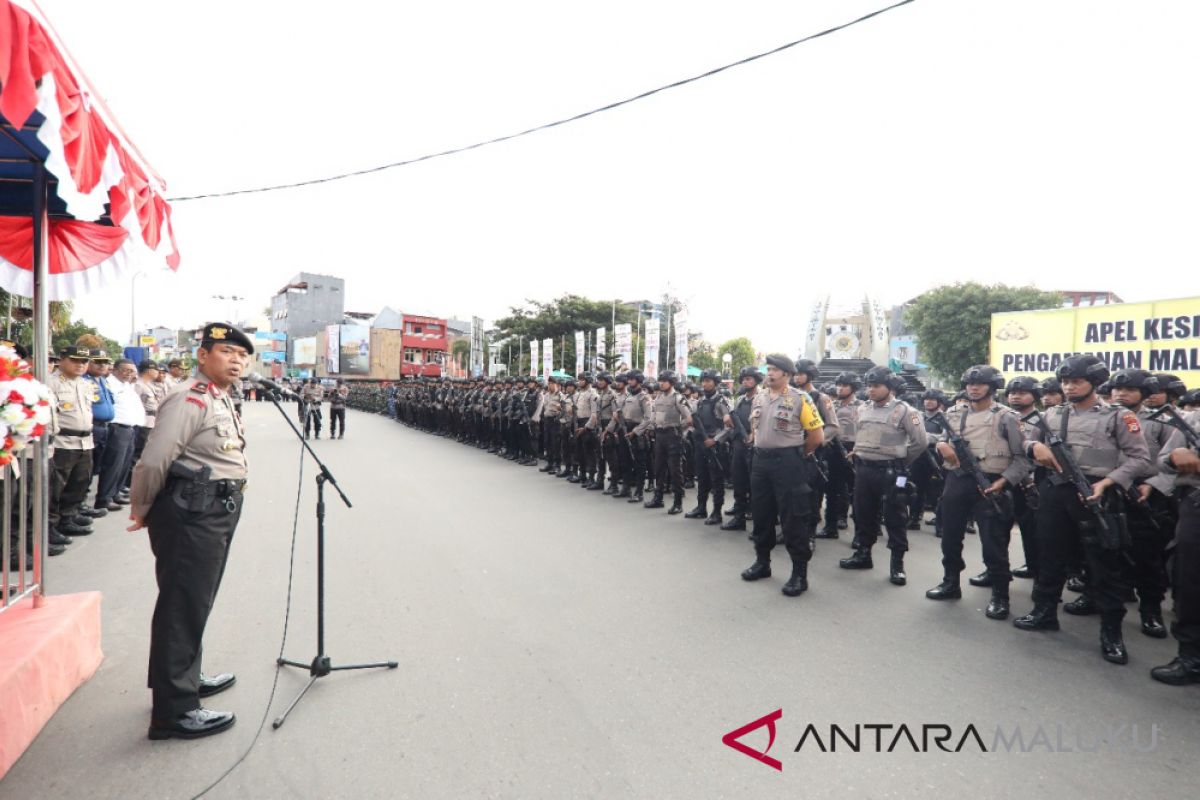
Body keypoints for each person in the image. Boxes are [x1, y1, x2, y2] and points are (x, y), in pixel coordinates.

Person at [130, 323, 253, 740]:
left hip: (213, 510)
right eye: (228, 351)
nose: (237, 360)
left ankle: (185, 677)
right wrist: (142, 508)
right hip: (191, 514)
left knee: (195, 601)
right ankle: (174, 711)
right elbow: (154, 460)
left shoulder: (218, 396)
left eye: (242, 354)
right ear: (203, 355)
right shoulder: (190, 398)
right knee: (182, 605)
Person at [1013, 355, 1153, 665]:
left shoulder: (1117, 416)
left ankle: (1111, 632)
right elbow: (1025, 444)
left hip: (1096, 492)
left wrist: (1108, 482)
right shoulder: (1051, 414)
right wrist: (1034, 448)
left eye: (1076, 381)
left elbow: (1141, 459)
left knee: (1104, 564)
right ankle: (1044, 611)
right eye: (1065, 382)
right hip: (1055, 490)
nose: (1069, 387)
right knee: (1050, 554)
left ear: (1094, 383)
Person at [924, 366, 1031, 620]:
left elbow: (1022, 459)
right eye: (970, 384)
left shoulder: (1007, 417)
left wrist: (1004, 481)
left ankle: (1000, 595)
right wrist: (941, 444)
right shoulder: (953, 413)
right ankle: (951, 582)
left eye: (980, 384)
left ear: (992, 387)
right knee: (950, 536)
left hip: (992, 483)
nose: (973, 388)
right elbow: (940, 438)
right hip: (958, 480)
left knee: (994, 544)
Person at [739, 355, 825, 596]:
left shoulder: (801, 399)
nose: (769, 373)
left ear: (787, 374)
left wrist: (797, 455)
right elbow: (756, 429)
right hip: (760, 461)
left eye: (775, 369)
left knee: (792, 518)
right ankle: (762, 562)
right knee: (761, 513)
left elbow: (817, 437)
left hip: (788, 463)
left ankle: (799, 574)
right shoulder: (760, 396)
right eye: (768, 369)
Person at [839, 366, 928, 585]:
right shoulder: (862, 408)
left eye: (876, 386)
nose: (871, 390)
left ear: (890, 387)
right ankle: (863, 555)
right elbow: (863, 434)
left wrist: (899, 461)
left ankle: (897, 565)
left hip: (891, 472)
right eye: (869, 386)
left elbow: (920, 443)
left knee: (895, 518)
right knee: (862, 514)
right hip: (863, 470)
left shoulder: (906, 411)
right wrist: (859, 451)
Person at [1151, 405, 1200, 684]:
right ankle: (1191, 657)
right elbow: (1162, 461)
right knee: (1189, 581)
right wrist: (1175, 455)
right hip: (1196, 502)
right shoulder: (1192, 419)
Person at [47, 346, 97, 539]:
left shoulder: (85, 384)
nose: (80, 365)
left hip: (85, 441)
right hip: (63, 442)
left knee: (79, 482)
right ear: (62, 359)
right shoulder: (51, 383)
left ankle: (68, 518)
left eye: (84, 362)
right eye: (75, 360)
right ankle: (51, 525)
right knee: (56, 488)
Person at [685, 369, 731, 524]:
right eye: (703, 381)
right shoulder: (700, 401)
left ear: (716, 383)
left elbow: (730, 427)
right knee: (702, 477)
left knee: (716, 480)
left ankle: (717, 512)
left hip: (715, 445)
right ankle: (701, 507)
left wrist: (716, 440)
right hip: (700, 443)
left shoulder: (722, 402)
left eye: (708, 381)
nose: (704, 384)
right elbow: (694, 421)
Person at [720, 367, 761, 532]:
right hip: (739, 443)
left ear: (756, 380)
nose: (745, 381)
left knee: (756, 483)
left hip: (755, 445)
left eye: (749, 378)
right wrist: (728, 419)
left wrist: (754, 434)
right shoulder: (740, 400)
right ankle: (739, 514)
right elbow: (733, 420)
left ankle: (755, 514)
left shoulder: (762, 398)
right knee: (738, 479)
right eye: (744, 378)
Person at [645, 370, 691, 514]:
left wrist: (678, 428)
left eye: (664, 381)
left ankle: (678, 503)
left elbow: (689, 418)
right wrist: (650, 428)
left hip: (673, 436)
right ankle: (658, 498)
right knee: (658, 468)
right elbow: (653, 417)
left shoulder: (678, 398)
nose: (661, 383)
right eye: (660, 380)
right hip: (659, 436)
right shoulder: (658, 398)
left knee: (675, 470)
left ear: (671, 382)